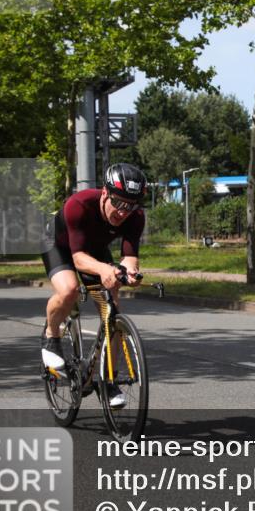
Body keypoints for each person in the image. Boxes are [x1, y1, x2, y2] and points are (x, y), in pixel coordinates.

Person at [40, 164, 147, 408]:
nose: (123, 211)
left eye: (130, 205)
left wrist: (129, 272)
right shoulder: (79, 204)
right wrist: (104, 269)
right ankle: (51, 336)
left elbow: (130, 257)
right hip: (58, 246)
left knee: (112, 309)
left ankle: (108, 379)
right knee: (69, 289)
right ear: (105, 193)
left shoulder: (135, 216)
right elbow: (78, 259)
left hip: (94, 249)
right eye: (118, 203)